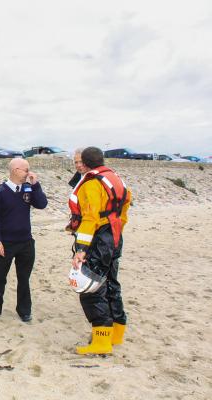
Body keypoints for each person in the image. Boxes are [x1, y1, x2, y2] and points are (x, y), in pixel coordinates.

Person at [69, 147, 131, 355]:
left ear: (85, 163)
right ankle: (116, 333)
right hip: (114, 236)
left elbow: (90, 217)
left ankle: (101, 341)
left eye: (79, 162)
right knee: (112, 283)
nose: (77, 165)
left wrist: (81, 249)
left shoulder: (92, 184)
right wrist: (116, 228)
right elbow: (125, 204)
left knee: (91, 288)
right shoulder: (115, 177)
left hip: (99, 238)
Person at [0, 158, 47, 322]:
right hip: (6, 243)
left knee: (24, 278)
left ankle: (24, 310)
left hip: (26, 242)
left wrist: (36, 185)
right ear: (15, 170)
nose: (28, 172)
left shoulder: (28, 189)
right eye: (26, 170)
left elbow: (42, 204)